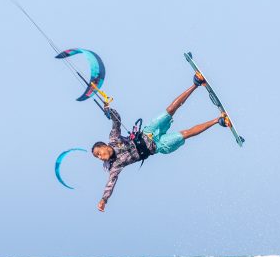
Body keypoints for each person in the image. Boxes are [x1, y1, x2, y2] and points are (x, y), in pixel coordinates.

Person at [92, 74, 230, 212]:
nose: (100, 156)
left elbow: (116, 120)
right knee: (185, 134)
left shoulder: (113, 138)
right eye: (97, 157)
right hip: (158, 146)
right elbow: (110, 184)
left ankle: (196, 83)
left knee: (170, 110)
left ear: (103, 145)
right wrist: (104, 200)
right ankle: (219, 121)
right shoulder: (115, 166)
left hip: (149, 132)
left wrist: (108, 111)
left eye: (98, 153)